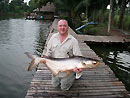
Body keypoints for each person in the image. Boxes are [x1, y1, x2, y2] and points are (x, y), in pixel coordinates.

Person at [42, 19, 83, 91]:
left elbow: (79, 57)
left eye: (65, 26)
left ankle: (72, 77)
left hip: (68, 72)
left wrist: (79, 69)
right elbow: (49, 51)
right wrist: (46, 57)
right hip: (55, 69)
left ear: (68, 27)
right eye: (60, 26)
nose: (62, 28)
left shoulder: (73, 41)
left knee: (64, 88)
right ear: (57, 27)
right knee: (54, 85)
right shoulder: (53, 37)